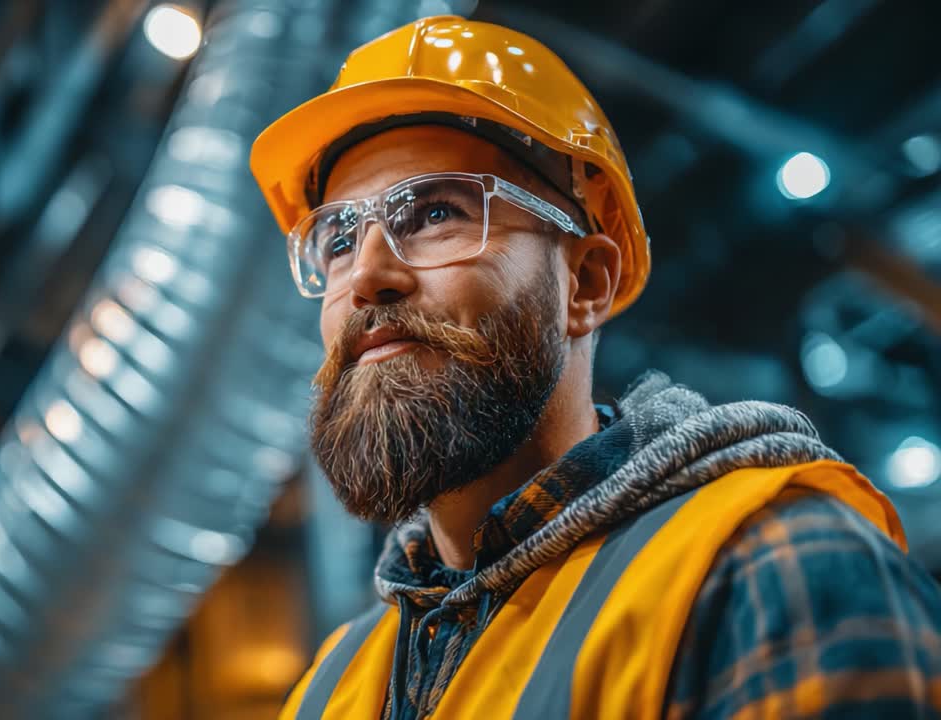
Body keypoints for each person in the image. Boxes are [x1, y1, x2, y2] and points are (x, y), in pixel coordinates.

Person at [248, 15, 941, 720]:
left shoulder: (770, 571)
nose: (366, 274)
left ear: (584, 286)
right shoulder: (328, 690)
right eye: (338, 239)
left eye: (434, 214)